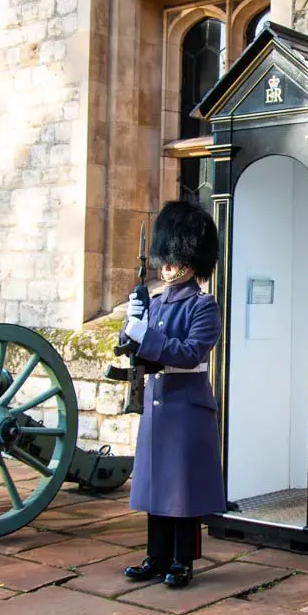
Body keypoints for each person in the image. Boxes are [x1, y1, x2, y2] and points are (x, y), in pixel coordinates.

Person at [120, 200, 225, 589]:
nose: (166, 266)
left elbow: (190, 353)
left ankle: (183, 561)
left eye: (175, 258)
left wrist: (144, 334)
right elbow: (131, 347)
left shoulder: (203, 306)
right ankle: (156, 555)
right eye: (165, 258)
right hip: (158, 402)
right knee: (154, 484)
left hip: (186, 405)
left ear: (192, 262)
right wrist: (130, 324)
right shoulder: (156, 302)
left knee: (184, 488)